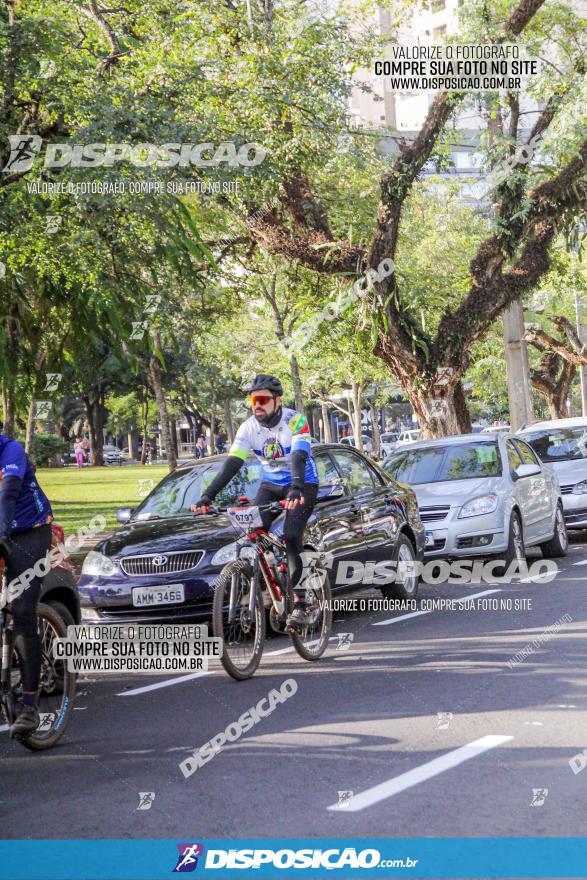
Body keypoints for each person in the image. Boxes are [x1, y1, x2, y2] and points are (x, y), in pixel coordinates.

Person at [191, 374, 319, 631]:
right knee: (254, 531)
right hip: (270, 486)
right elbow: (233, 463)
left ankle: (302, 602)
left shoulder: (296, 420)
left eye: (262, 399)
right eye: (253, 399)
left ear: (277, 400)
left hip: (302, 483)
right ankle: (272, 573)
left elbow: (299, 455)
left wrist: (295, 487)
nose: (256, 405)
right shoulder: (248, 427)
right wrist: (207, 495)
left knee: (293, 536)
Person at [0, 432, 54, 736]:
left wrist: (2, 532)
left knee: (21, 609)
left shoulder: (11, 450)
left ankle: (30, 705)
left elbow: (8, 492)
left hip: (30, 532)